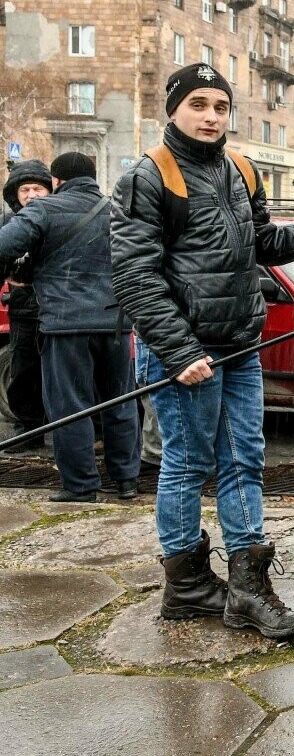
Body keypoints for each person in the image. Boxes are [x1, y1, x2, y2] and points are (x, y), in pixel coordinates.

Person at [110, 62, 294, 640]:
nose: (210, 116)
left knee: (245, 459)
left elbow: (263, 243)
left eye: (219, 107)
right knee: (187, 465)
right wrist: (178, 351)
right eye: (198, 104)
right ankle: (188, 586)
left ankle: (246, 587)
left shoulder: (240, 169)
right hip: (186, 355)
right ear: (173, 109)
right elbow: (134, 276)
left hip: (241, 347)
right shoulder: (149, 177)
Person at [0, 152, 141, 502]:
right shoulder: (118, 210)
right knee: (120, 402)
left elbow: (5, 246)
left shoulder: (45, 210)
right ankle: (126, 481)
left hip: (66, 325)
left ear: (57, 181)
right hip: (115, 325)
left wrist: (23, 272)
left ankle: (81, 486)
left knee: (70, 406)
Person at [1, 160, 54, 445]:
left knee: (64, 374)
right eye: (25, 189)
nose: (32, 195)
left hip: (57, 309)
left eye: (38, 188)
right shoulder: (8, 224)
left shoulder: (58, 219)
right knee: (23, 372)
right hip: (23, 310)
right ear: (15, 194)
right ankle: (29, 432)